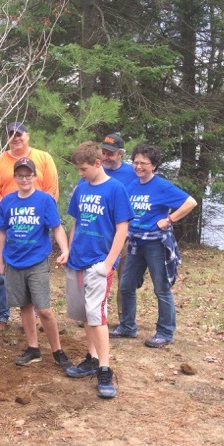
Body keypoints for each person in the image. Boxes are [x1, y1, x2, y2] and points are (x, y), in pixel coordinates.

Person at [63, 142, 133, 398]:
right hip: (77, 260)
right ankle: (92, 359)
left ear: (97, 163)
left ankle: (105, 368)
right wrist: (69, 250)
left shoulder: (116, 189)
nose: (80, 173)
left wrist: (109, 262)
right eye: (78, 169)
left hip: (99, 262)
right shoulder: (81, 189)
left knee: (96, 314)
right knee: (85, 314)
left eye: (83, 168)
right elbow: (76, 222)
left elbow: (122, 228)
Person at [114, 143, 198, 348]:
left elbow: (190, 202)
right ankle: (127, 326)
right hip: (135, 243)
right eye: (136, 162)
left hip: (156, 244)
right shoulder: (131, 185)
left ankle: (165, 332)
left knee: (161, 288)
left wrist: (169, 219)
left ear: (154, 166)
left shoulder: (162, 186)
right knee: (126, 286)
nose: (139, 166)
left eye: (144, 163)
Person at [0, 158, 72, 371]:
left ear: (35, 177)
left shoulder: (45, 200)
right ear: (15, 178)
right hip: (13, 261)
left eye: (28, 175)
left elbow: (56, 228)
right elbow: (2, 231)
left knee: (44, 309)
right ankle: (33, 348)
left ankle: (57, 351)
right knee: (24, 307)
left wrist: (65, 250)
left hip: (37, 261)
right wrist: (0, 260)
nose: (25, 179)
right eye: (20, 175)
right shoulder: (7, 202)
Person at [0, 122, 59, 332]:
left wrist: (37, 212)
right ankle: (1, 315)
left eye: (19, 134)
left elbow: (52, 189)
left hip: (35, 224)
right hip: (7, 223)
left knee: (35, 271)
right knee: (3, 271)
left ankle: (39, 313)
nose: (15, 138)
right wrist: (10, 213)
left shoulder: (44, 158)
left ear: (28, 135)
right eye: (11, 135)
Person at [100, 133, 137, 320]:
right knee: (97, 276)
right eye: (103, 152)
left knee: (125, 280)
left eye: (110, 154)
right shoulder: (96, 170)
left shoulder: (132, 173)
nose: (106, 157)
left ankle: (125, 319)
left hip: (124, 234)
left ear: (121, 154)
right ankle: (95, 315)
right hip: (99, 234)